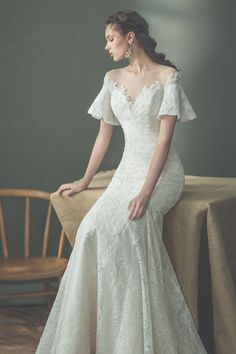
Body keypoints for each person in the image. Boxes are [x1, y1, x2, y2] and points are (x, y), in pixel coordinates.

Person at [35, 9, 207, 354]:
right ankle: (100, 334)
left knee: (134, 227)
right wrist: (85, 181)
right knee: (90, 230)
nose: (106, 46)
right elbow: (103, 138)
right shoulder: (112, 78)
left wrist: (146, 192)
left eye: (110, 39)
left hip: (162, 175)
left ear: (130, 38)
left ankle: (136, 338)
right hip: (125, 172)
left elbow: (163, 141)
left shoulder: (167, 77)